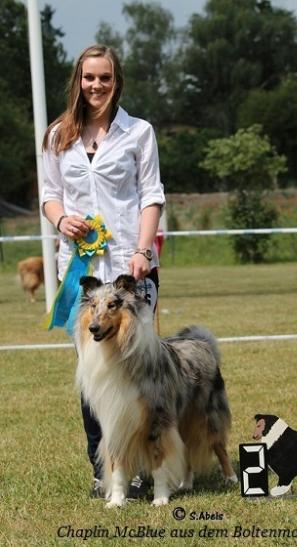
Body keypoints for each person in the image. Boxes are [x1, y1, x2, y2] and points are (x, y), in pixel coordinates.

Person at [41, 44, 165, 498]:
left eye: (105, 78)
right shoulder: (58, 135)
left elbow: (151, 195)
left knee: (138, 371)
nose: (96, 86)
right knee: (94, 374)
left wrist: (142, 250)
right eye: (89, 78)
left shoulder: (139, 132)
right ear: (78, 80)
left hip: (128, 270)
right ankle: (105, 468)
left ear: (117, 82)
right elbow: (49, 194)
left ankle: (143, 464)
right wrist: (60, 219)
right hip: (80, 272)